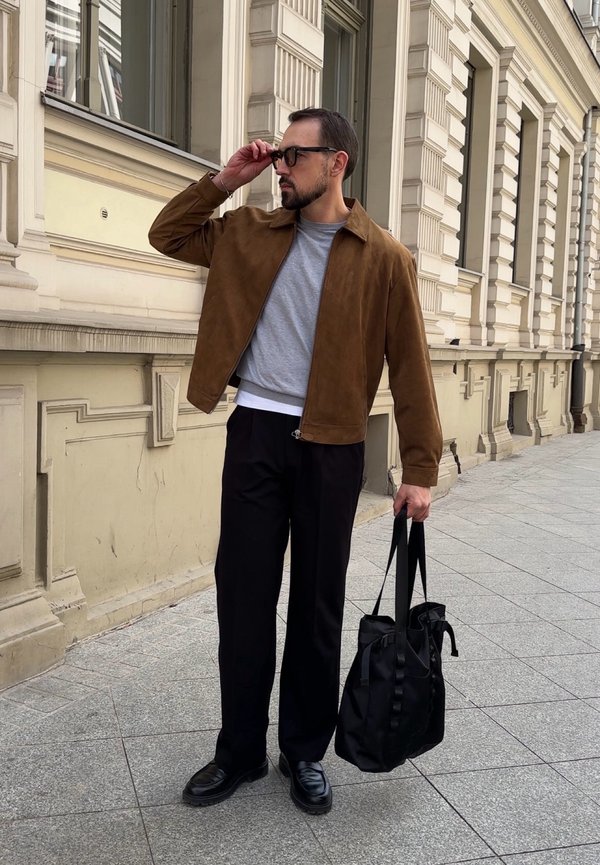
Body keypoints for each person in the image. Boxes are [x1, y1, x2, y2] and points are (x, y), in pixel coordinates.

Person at [148, 108, 443, 815]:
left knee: (316, 604)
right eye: (276, 155)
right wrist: (227, 179)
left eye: (292, 156)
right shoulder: (247, 232)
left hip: (332, 446)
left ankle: (304, 751)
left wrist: (421, 469)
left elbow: (411, 368)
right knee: (243, 597)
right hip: (256, 432)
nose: (280, 166)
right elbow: (168, 234)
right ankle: (239, 750)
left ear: (336, 162)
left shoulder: (385, 257)